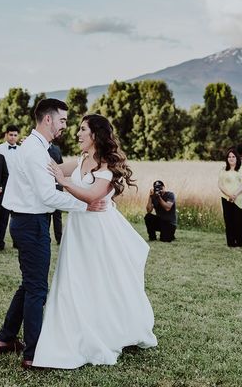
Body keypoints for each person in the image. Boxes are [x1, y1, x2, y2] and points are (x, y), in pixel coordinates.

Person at [33, 114, 157, 368]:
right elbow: (53, 166)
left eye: (82, 130)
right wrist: (35, 149)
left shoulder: (107, 168)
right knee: (74, 278)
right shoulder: (81, 159)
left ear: (95, 135)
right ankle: (72, 328)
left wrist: (63, 181)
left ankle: (114, 327)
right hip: (78, 229)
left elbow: (91, 196)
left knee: (102, 278)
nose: (77, 134)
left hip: (99, 231)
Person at [0, 99, 106, 369]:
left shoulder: (37, 148)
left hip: (28, 221)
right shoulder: (34, 151)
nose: (65, 127)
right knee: (37, 289)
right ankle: (33, 355)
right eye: (63, 121)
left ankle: (6, 339)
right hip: (31, 223)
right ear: (48, 120)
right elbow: (47, 196)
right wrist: (85, 204)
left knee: (28, 283)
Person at [0, 124, 20, 251]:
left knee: (18, 217)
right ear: (6, 135)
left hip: (18, 188)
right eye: (11, 134)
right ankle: (0, 243)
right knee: (2, 217)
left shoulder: (22, 150)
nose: (13, 137)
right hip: (4, 188)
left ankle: (17, 242)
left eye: (15, 135)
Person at [217, 147, 242, 247]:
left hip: (240, 198)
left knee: (239, 220)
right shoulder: (223, 170)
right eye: (229, 157)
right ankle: (231, 242)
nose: (231, 158)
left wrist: (235, 194)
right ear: (227, 159)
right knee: (229, 220)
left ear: (237, 158)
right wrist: (229, 194)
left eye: (233, 156)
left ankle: (239, 242)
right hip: (226, 198)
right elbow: (220, 184)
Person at [47, 142, 64, 244]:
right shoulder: (40, 148)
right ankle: (46, 238)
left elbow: (61, 166)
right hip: (46, 185)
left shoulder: (57, 148)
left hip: (58, 185)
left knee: (58, 215)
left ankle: (59, 239)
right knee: (47, 214)